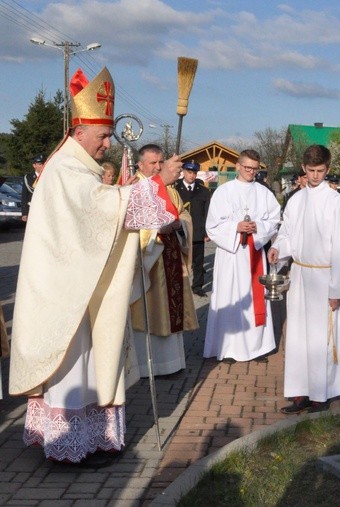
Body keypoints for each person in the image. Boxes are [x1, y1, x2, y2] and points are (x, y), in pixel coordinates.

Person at [9, 67, 179, 464]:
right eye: (102, 136)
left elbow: (101, 212)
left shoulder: (74, 168)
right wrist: (156, 184)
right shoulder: (66, 170)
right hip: (66, 294)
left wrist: (138, 192)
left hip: (77, 285)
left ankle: (86, 441)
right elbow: (103, 209)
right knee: (75, 368)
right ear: (79, 133)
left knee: (86, 366)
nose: (107, 143)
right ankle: (73, 447)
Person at [268, 144, 340, 414]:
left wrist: (337, 290)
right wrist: (278, 248)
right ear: (303, 168)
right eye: (311, 171)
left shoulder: (335, 202)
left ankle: (321, 394)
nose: (316, 176)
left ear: (328, 169)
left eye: (321, 171)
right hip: (300, 274)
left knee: (321, 337)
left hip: (325, 278)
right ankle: (300, 392)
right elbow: (287, 232)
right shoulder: (296, 199)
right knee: (298, 336)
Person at [203, 149, 281, 363]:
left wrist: (259, 226)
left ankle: (256, 347)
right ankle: (228, 348)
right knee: (230, 298)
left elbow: (274, 219)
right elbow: (212, 225)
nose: (251, 172)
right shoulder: (223, 191)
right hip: (231, 253)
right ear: (237, 166)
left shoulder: (264, 192)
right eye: (247, 167)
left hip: (254, 253)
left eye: (255, 169)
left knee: (254, 298)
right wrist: (235, 227)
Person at [129, 144, 198, 377]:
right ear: (140, 165)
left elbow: (184, 214)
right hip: (148, 262)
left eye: (161, 162)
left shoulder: (170, 189)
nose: (159, 167)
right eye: (152, 163)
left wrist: (181, 226)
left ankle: (172, 362)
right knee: (150, 311)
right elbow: (130, 226)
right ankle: (147, 365)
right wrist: (159, 228)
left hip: (171, 257)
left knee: (171, 309)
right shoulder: (134, 188)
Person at [175, 160, 212, 297]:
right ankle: (178, 285)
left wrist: (207, 231)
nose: (192, 175)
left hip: (197, 231)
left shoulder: (203, 191)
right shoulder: (175, 188)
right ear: (183, 172)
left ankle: (197, 286)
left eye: (194, 173)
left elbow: (207, 212)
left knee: (198, 262)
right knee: (179, 261)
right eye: (189, 172)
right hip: (179, 231)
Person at [21, 154, 45, 222]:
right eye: (40, 164)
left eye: (43, 163)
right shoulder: (28, 178)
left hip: (45, 209)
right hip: (32, 209)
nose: (42, 166)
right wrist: (24, 213)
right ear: (34, 165)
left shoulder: (49, 176)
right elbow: (24, 196)